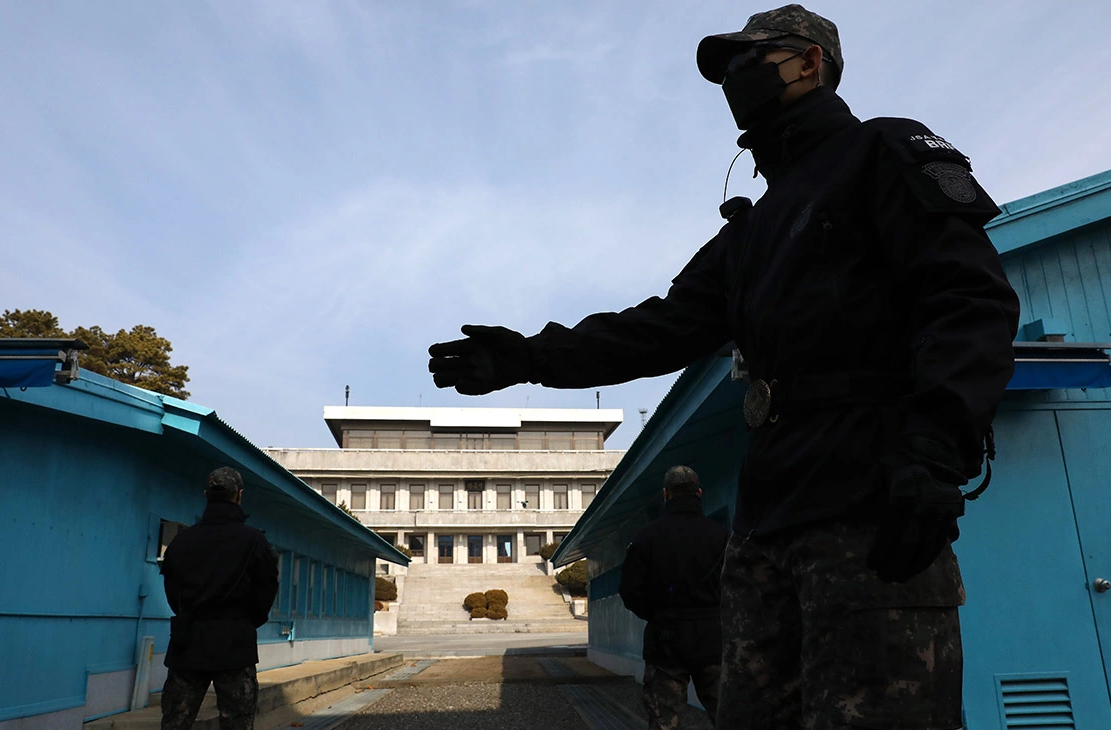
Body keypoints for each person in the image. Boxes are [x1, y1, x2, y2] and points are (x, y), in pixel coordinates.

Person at [428, 4, 1020, 728]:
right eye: (728, 70)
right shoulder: (752, 230)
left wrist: (935, 450)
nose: (734, 80)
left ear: (810, 62)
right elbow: (659, 329)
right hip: (768, 523)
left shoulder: (884, 151)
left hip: (870, 506)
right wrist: (527, 357)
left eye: (750, 60)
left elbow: (970, 301)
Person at [159, 467, 279, 730]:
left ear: (206, 495)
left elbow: (171, 590)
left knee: (175, 722)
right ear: (239, 496)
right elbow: (267, 590)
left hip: (187, 641)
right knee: (237, 722)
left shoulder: (182, 541)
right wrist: (246, 622)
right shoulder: (254, 541)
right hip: (235, 643)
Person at [620, 465, 729, 729]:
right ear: (699, 493)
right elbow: (738, 586)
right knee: (728, 716)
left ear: (666, 494)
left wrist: (657, 614)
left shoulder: (647, 537)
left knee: (665, 720)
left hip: (666, 640)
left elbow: (630, 591)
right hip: (714, 637)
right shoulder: (722, 536)